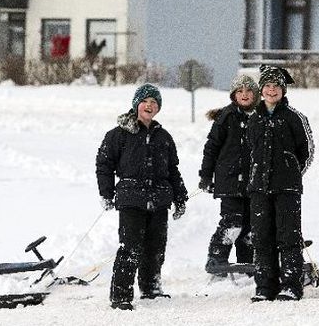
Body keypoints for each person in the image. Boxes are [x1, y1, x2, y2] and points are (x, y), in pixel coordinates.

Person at [96, 84, 188, 310]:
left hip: (159, 200)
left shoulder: (164, 137)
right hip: (131, 200)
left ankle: (151, 288)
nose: (149, 105)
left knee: (156, 247)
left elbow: (173, 170)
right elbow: (104, 165)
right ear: (136, 104)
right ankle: (121, 295)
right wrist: (106, 193)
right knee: (130, 247)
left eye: (154, 102)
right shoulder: (118, 135)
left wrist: (180, 196)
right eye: (145, 101)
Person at [247, 65, 314, 302]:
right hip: (259, 189)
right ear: (261, 90)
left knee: (288, 237)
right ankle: (265, 286)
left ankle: (290, 285)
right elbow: (249, 152)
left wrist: (292, 174)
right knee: (262, 238)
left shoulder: (295, 117)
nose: (271, 90)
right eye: (267, 86)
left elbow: (307, 152)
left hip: (287, 189)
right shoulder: (253, 119)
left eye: (276, 86)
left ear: (283, 90)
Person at [198, 74, 259, 273]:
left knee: (250, 227)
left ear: (255, 94)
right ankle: (217, 258)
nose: (244, 95)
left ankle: (246, 263)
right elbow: (211, 147)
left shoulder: (260, 116)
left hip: (253, 182)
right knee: (232, 222)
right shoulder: (227, 116)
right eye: (240, 91)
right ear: (234, 95)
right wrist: (206, 175)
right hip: (229, 181)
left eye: (248, 91)